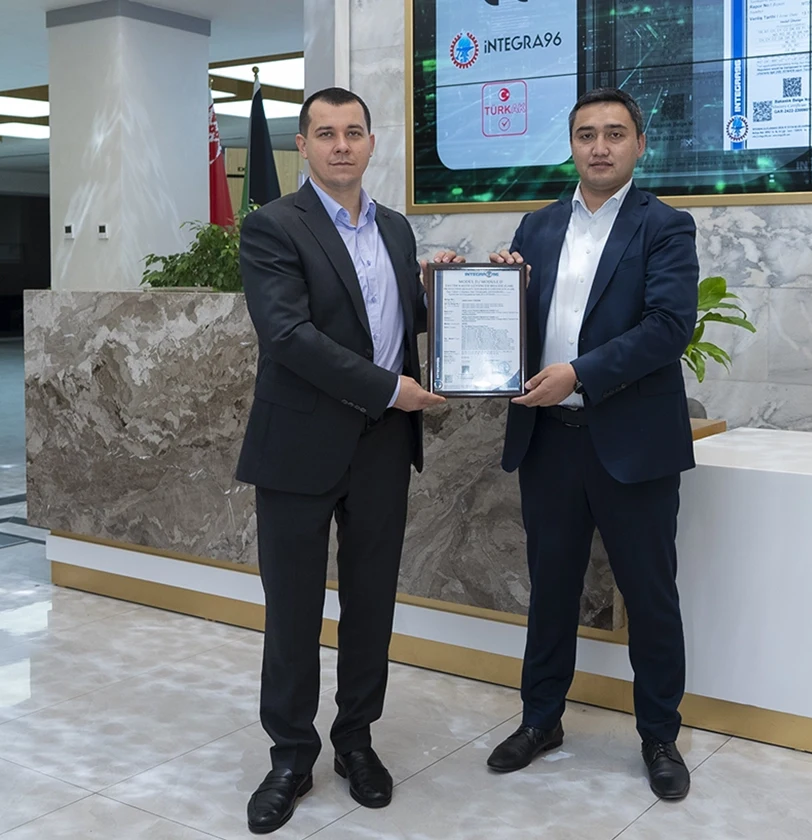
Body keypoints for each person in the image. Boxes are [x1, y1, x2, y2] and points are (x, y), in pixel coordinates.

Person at [233, 86, 453, 834]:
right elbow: (288, 335)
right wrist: (391, 390)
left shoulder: (395, 228)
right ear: (303, 145)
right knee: (293, 611)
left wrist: (447, 289)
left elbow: (396, 319)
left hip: (383, 448)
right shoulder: (272, 226)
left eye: (353, 132)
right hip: (299, 445)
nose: (341, 146)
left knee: (371, 605)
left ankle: (356, 740)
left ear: (371, 142)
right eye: (325, 133)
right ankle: (291, 756)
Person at [484, 87, 700, 800]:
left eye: (614, 133)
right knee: (550, 590)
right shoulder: (538, 226)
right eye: (586, 135)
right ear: (571, 146)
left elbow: (668, 327)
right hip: (549, 441)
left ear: (640, 144)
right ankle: (540, 719)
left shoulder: (665, 227)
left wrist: (577, 373)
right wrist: (487, 289)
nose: (599, 147)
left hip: (632, 444)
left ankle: (660, 735)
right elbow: (515, 321)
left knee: (650, 594)